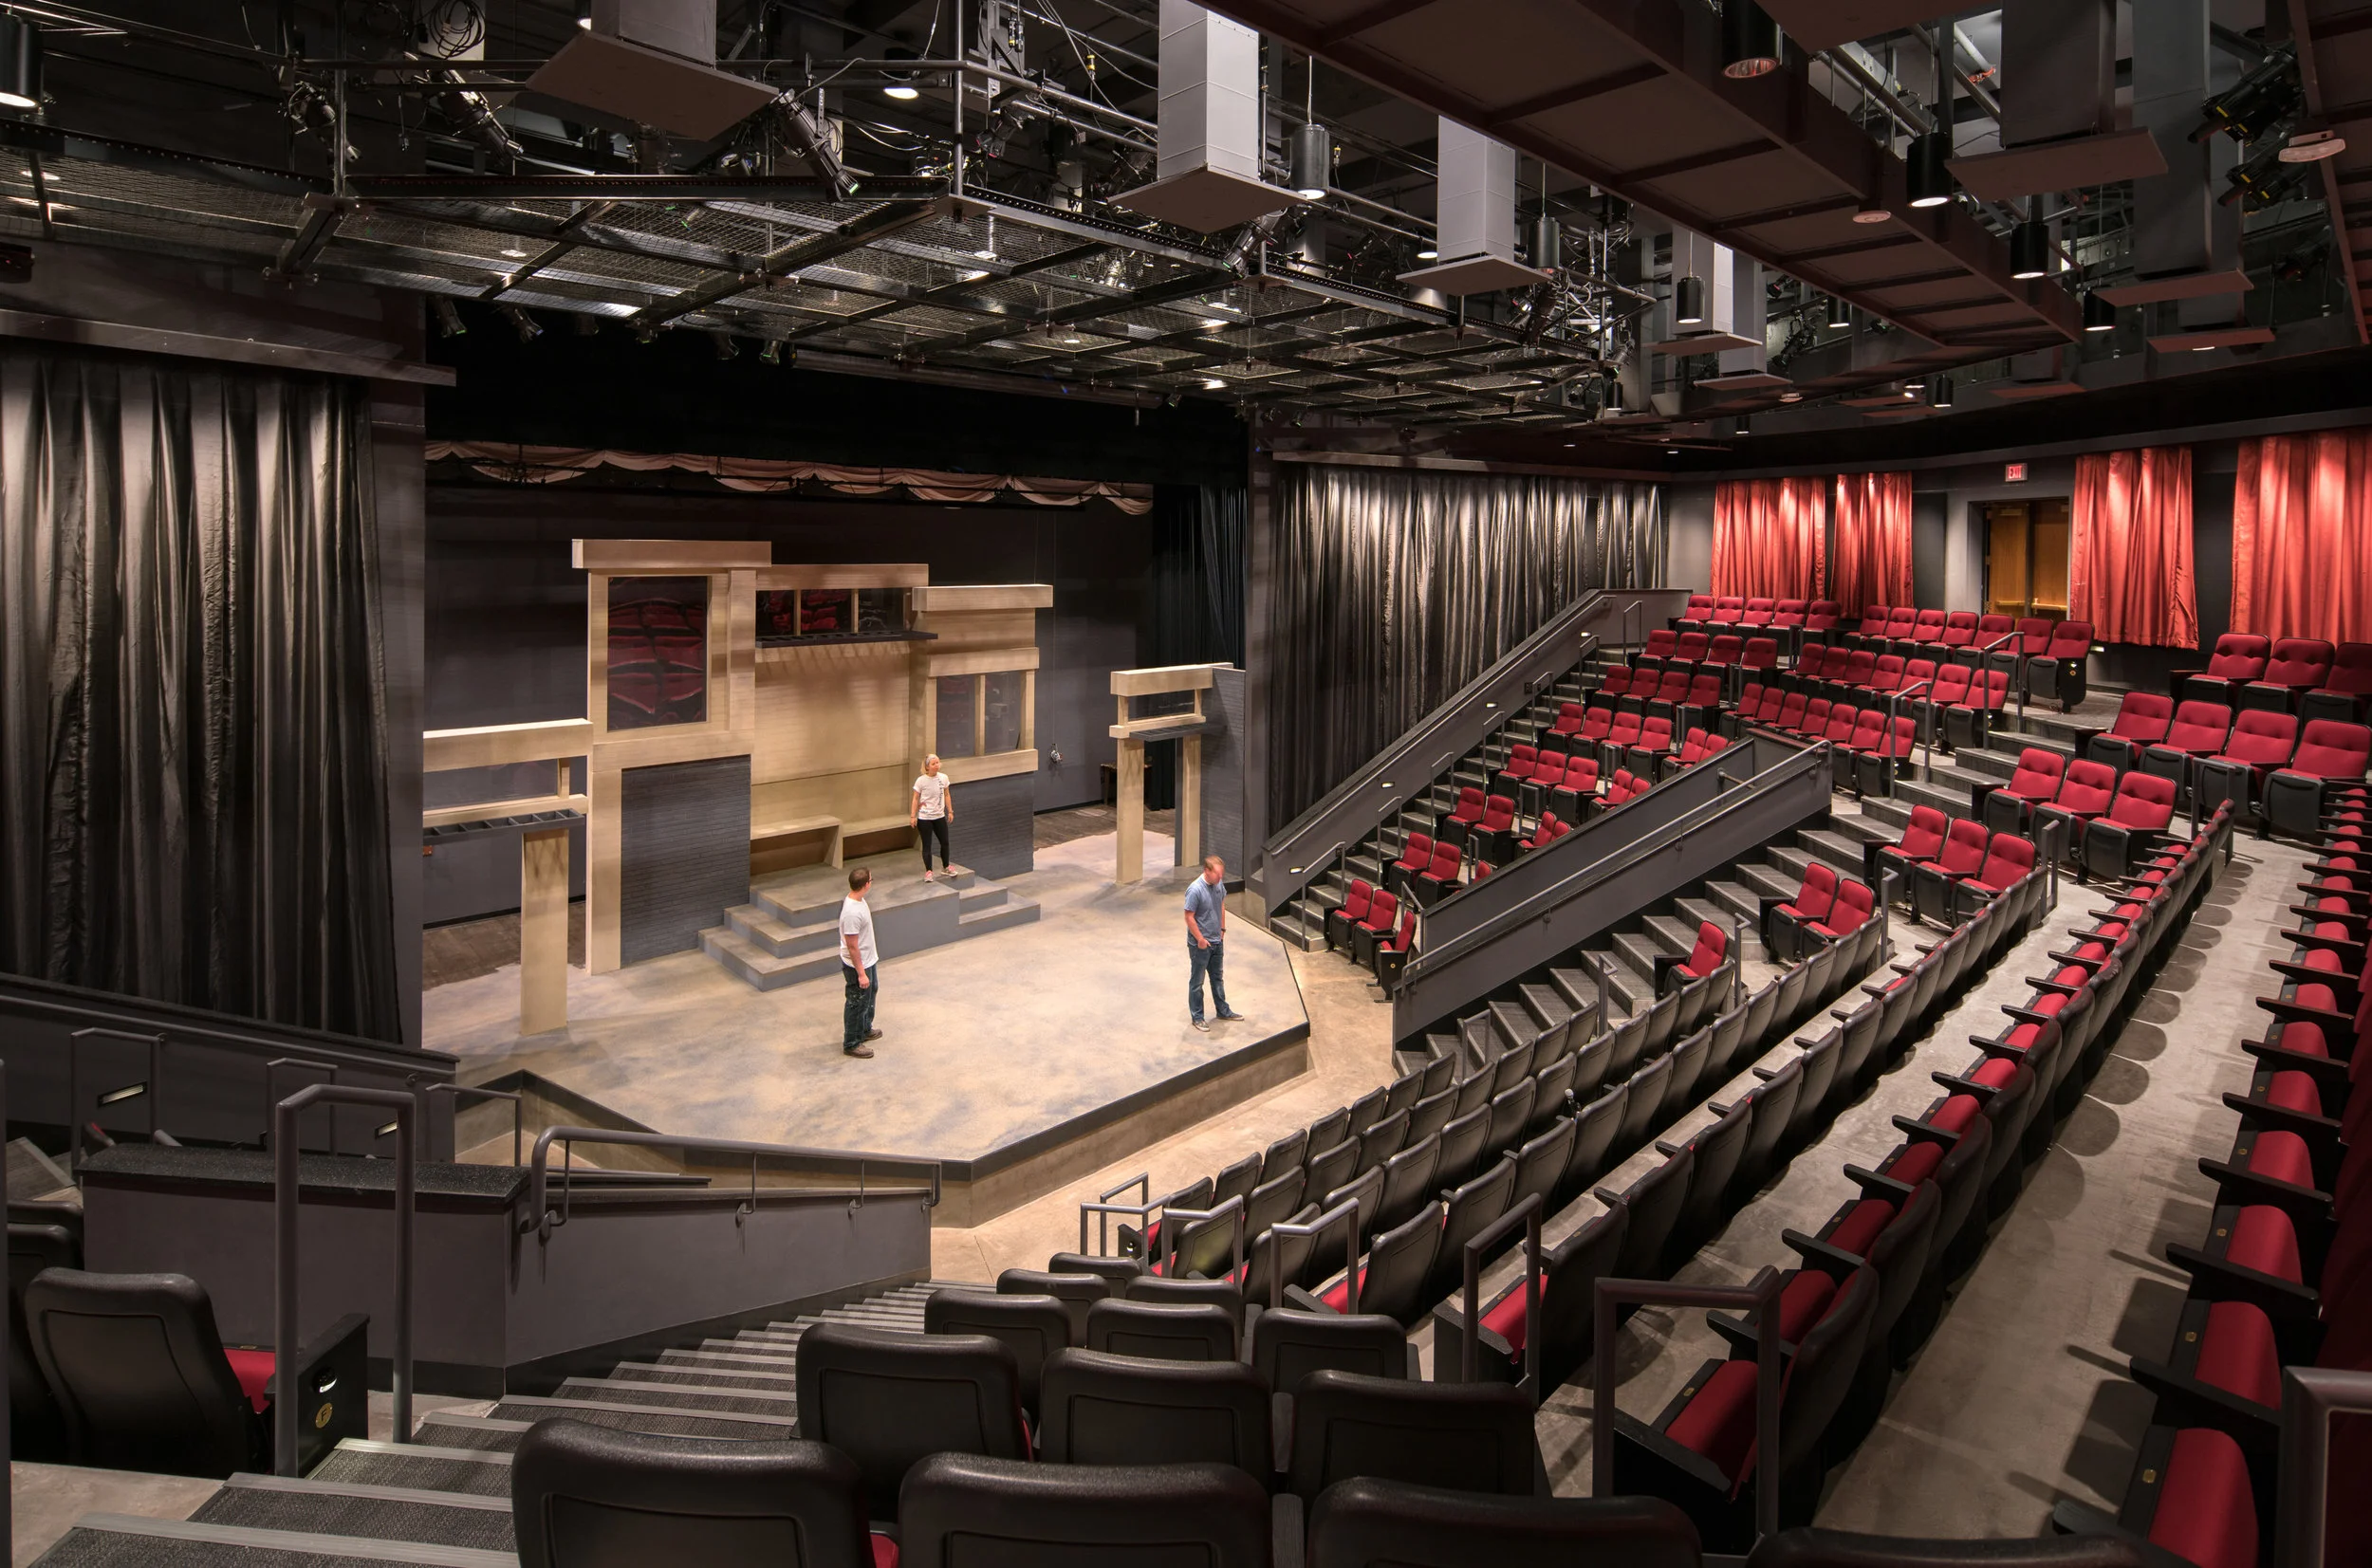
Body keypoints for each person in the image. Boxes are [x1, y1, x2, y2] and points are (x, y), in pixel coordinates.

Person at [1183, 855, 1246, 1031]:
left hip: (1217, 941)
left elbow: (1222, 905)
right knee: (1197, 982)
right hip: (1200, 945)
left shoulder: (1218, 884)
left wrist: (1222, 930)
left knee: (1217, 978)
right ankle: (1198, 1017)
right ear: (1206, 871)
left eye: (1221, 875)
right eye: (1217, 874)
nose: (1220, 878)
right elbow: (1189, 917)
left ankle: (1223, 1011)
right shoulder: (1195, 890)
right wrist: (1200, 939)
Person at [840, 867, 881, 1059]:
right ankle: (852, 1042)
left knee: (870, 993)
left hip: (868, 959)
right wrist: (861, 973)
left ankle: (865, 1028)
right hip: (858, 964)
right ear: (866, 884)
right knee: (857, 1001)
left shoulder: (859, 900)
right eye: (871, 880)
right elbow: (852, 946)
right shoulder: (851, 913)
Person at [912, 754, 953, 881]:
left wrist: (950, 811)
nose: (937, 766)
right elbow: (915, 798)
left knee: (945, 842)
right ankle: (928, 871)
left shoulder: (944, 778)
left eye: (938, 763)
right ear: (927, 766)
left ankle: (946, 867)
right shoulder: (921, 780)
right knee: (927, 845)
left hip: (939, 816)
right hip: (925, 818)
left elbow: (946, 794)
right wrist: (913, 816)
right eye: (933, 764)